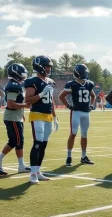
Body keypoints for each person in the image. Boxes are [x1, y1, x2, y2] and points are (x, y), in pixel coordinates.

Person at [24, 55, 59, 184]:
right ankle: (32, 173)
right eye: (47, 66)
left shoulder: (50, 81)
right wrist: (41, 94)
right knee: (37, 143)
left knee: (43, 144)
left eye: (50, 66)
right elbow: (27, 101)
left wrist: (54, 116)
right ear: (40, 66)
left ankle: (38, 170)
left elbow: (51, 101)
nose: (49, 69)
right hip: (37, 114)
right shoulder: (32, 81)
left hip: (48, 115)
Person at [58, 64, 96, 167]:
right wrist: (69, 106)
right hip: (76, 112)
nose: (86, 74)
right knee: (73, 133)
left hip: (86, 113)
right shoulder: (71, 84)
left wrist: (92, 106)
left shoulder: (89, 84)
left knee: (84, 134)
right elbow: (61, 96)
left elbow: (93, 96)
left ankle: (83, 157)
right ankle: (69, 156)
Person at [0, 63, 31, 176]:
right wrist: (25, 105)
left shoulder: (15, 84)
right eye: (22, 73)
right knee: (18, 141)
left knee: (14, 141)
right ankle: (21, 166)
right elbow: (11, 104)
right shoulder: (13, 85)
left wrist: (21, 113)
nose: (23, 75)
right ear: (16, 73)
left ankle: (19, 165)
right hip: (12, 117)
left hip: (15, 117)